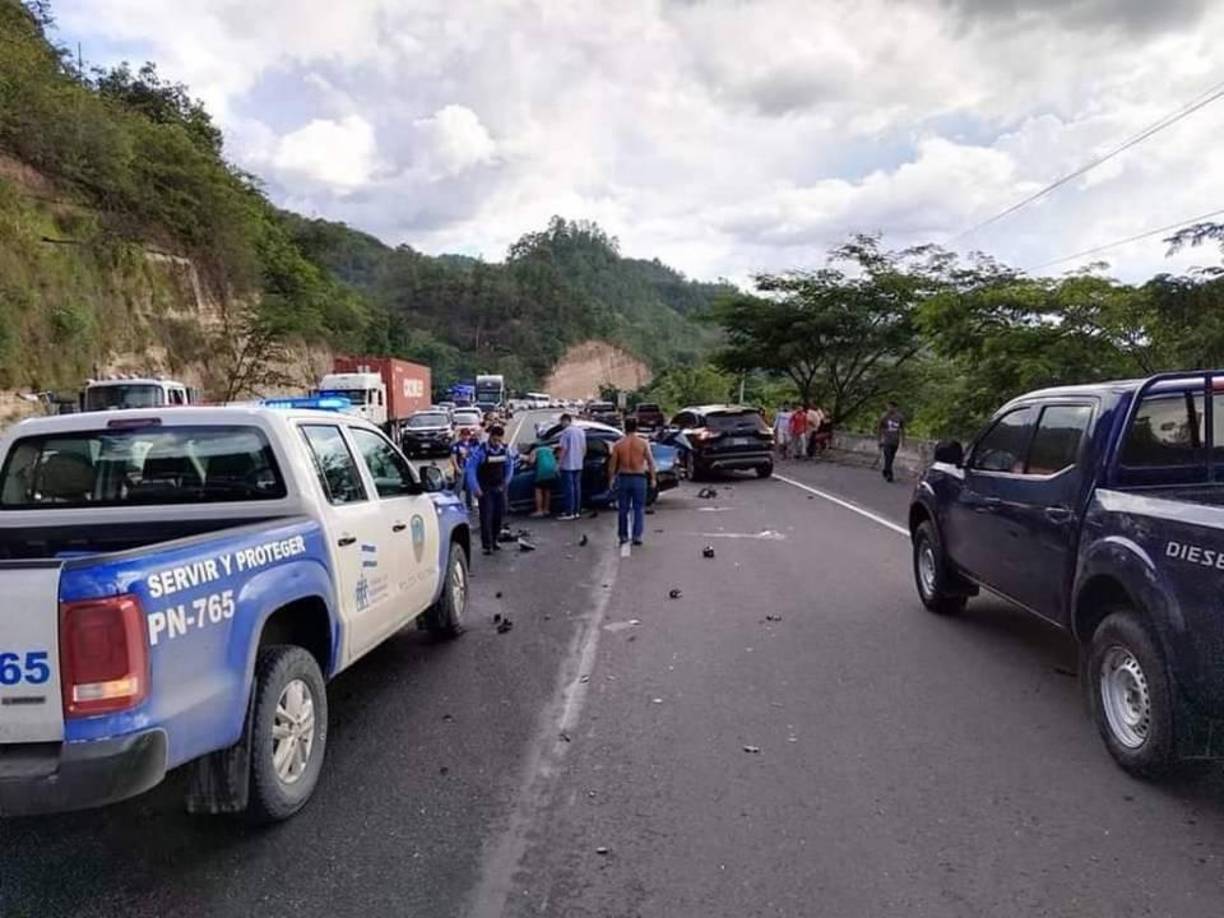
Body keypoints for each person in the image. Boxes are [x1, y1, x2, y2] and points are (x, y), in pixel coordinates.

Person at [466, 425, 515, 555]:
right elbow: (470, 469)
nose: (496, 443)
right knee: (486, 516)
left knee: (499, 514)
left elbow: (510, 466)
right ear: (490, 437)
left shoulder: (505, 450)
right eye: (494, 440)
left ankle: (495, 540)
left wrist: (506, 481)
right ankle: (487, 545)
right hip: (485, 488)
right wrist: (475, 487)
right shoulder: (480, 451)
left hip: (499, 487)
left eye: (499, 440)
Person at [608, 417, 656, 547]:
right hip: (639, 477)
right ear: (636, 427)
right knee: (639, 508)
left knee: (623, 509)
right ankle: (637, 536)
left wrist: (611, 479)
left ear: (624, 427)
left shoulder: (618, 444)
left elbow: (612, 465)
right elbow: (651, 462)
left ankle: (623, 536)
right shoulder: (643, 443)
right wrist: (653, 478)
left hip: (624, 477)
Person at [556, 413, 587, 520]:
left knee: (569, 489)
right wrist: (580, 459)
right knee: (577, 488)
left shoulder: (566, 432)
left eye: (561, 422)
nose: (561, 424)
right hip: (578, 464)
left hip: (568, 464)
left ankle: (569, 512)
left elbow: (563, 449)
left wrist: (558, 464)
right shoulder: (581, 431)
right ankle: (576, 511)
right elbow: (584, 449)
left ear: (566, 421)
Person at [522, 439, 558, 518]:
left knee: (538, 490)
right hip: (551, 471)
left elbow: (531, 461)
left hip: (542, 471)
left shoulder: (535, 450)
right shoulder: (549, 449)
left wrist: (527, 460)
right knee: (547, 490)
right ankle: (546, 509)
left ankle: (539, 510)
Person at [877, 401, 906, 483]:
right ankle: (890, 474)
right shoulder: (884, 416)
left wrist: (903, 441)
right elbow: (879, 428)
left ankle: (886, 469)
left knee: (891, 457)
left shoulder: (900, 417)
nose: (889, 408)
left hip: (895, 441)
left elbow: (902, 430)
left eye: (891, 407)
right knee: (888, 456)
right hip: (886, 440)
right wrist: (879, 440)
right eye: (888, 407)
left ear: (895, 408)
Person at [450, 427, 477, 512]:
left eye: (467, 435)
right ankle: (455, 504)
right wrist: (456, 468)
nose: (465, 437)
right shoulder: (456, 445)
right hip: (461, 468)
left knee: (469, 488)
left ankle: (470, 505)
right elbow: (453, 457)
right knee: (458, 487)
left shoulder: (472, 444)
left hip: (469, 469)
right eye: (463, 435)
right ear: (460, 435)